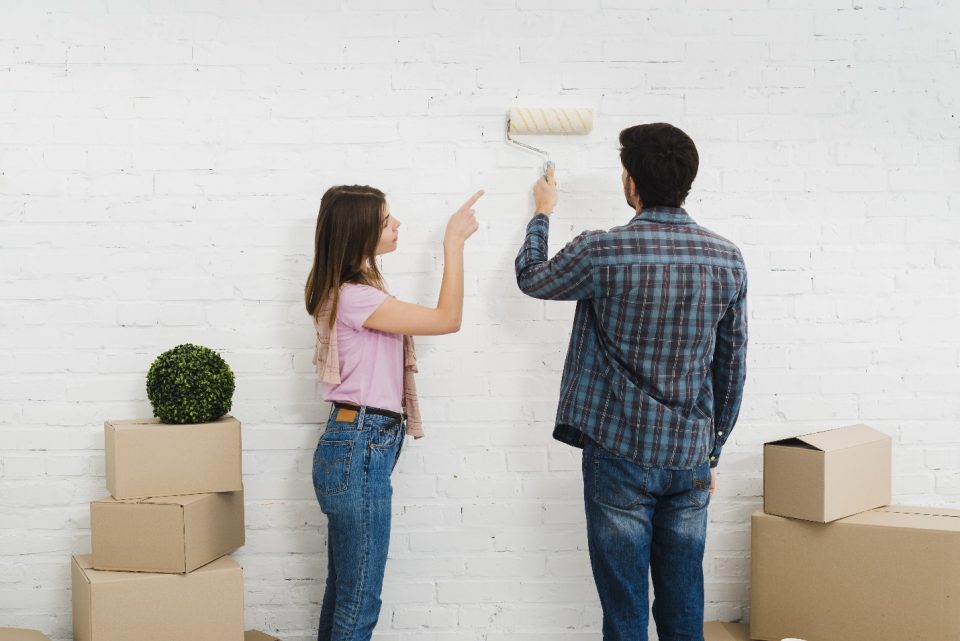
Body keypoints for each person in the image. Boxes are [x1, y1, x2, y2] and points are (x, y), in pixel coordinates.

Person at [515, 123, 748, 641]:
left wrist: (542, 213)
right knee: (684, 605)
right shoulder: (726, 258)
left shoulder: (604, 251)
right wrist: (712, 450)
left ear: (632, 182)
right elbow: (731, 366)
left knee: (624, 612)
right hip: (688, 454)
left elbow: (533, 278)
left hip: (618, 451)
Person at [305, 184, 483, 641]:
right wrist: (453, 244)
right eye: (386, 220)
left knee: (344, 594)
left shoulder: (351, 291)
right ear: (360, 231)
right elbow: (447, 319)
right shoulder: (356, 297)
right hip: (360, 444)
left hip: (353, 441)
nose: (397, 224)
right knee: (359, 599)